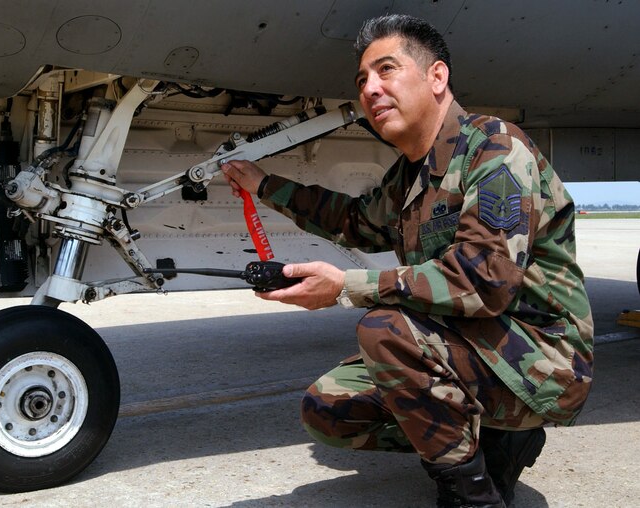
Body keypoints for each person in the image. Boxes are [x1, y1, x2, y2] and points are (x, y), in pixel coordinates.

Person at [221, 14, 594, 508]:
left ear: (436, 77)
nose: (370, 89)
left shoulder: (495, 148)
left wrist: (346, 286)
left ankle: (472, 497)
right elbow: (353, 220)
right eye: (362, 80)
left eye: (386, 70)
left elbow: (485, 280)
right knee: (329, 408)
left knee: (386, 330)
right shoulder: (408, 177)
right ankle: (495, 444)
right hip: (474, 349)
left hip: (543, 362)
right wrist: (264, 186)